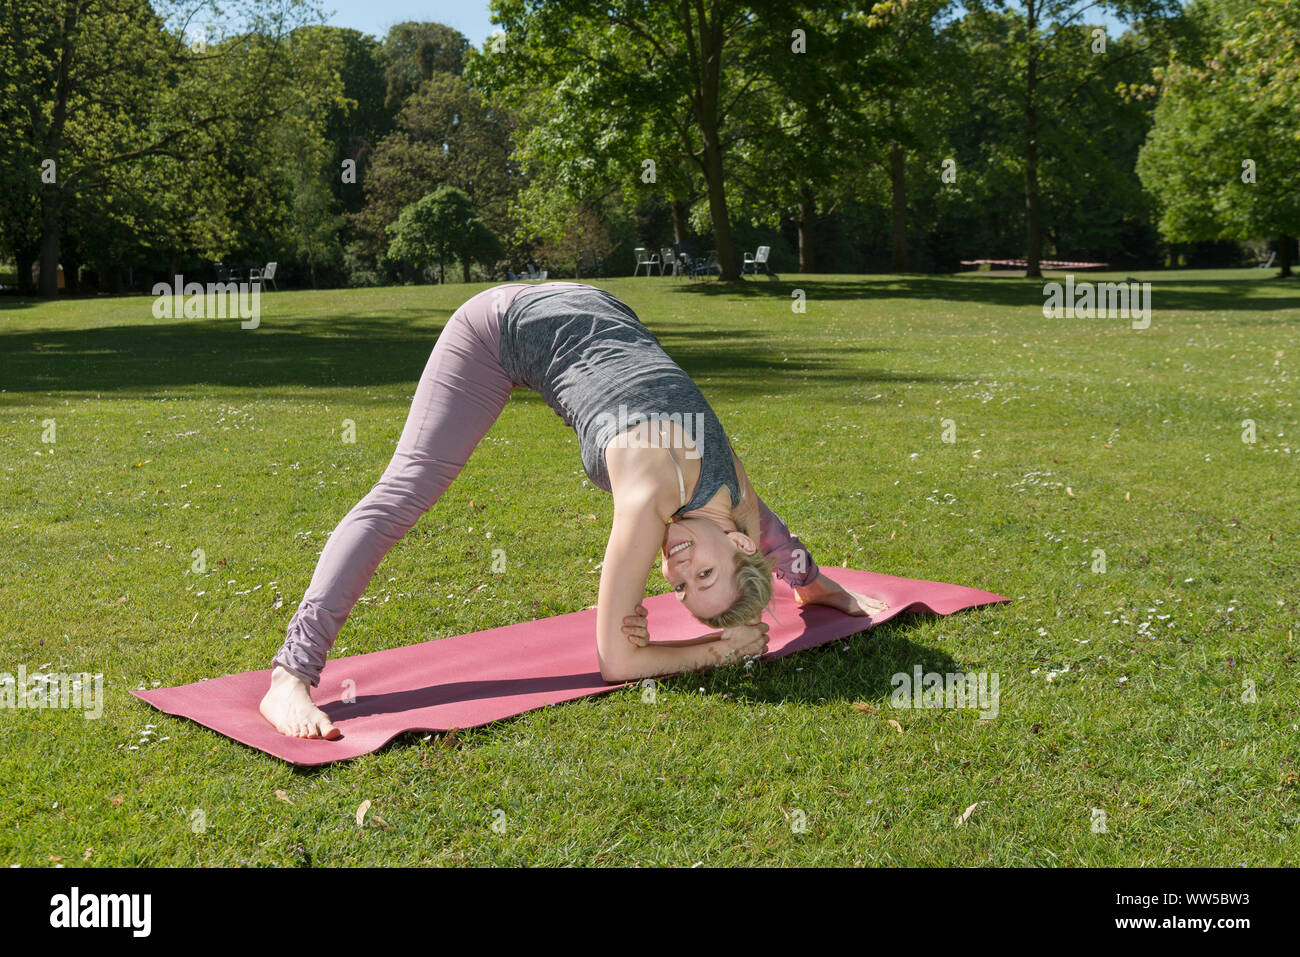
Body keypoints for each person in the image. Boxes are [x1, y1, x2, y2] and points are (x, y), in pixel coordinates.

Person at [259, 282, 887, 739]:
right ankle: (290, 674)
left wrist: (812, 584)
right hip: (497, 328)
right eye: (704, 575)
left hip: (594, 305)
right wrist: (719, 649)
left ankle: (801, 591)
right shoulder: (656, 499)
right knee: (402, 495)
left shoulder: (729, 502)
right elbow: (618, 662)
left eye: (679, 587)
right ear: (739, 547)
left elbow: (767, 529)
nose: (676, 568)